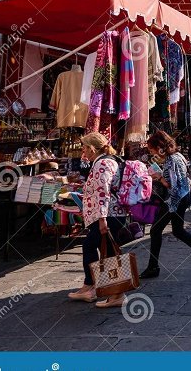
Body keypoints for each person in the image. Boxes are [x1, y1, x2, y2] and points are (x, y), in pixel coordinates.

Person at [140, 131, 191, 279]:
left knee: (155, 230)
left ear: (159, 146)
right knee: (178, 230)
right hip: (183, 197)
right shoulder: (178, 156)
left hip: (174, 200)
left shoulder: (171, 160)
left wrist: (159, 176)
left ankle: (153, 267)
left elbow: (171, 186)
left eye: (152, 149)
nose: (152, 152)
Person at [68, 132, 127, 308]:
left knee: (99, 249)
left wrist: (102, 218)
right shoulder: (106, 161)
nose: (83, 151)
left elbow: (103, 192)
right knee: (106, 251)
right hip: (110, 213)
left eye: (85, 147)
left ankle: (102, 289)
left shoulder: (102, 164)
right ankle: (98, 288)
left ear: (92, 148)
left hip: (108, 215)